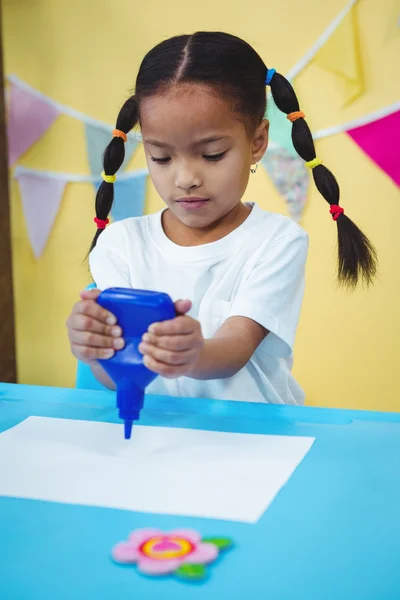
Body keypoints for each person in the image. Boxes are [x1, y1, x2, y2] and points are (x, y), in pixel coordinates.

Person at [66, 31, 377, 405]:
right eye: (161, 157)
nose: (185, 179)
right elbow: (119, 377)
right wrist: (95, 351)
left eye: (212, 154)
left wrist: (193, 353)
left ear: (257, 142)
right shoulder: (120, 245)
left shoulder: (277, 242)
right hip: (161, 440)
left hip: (253, 440)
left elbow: (235, 346)